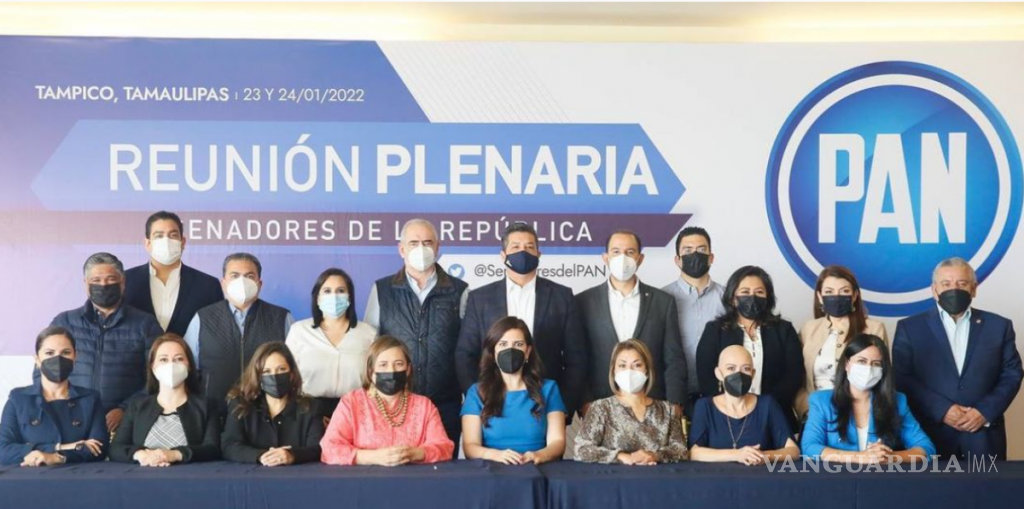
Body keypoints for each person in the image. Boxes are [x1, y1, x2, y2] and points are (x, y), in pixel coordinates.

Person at [893, 258, 1023, 460]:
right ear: (934, 290)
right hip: (930, 435)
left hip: (984, 436)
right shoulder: (909, 328)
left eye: (962, 283)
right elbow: (902, 377)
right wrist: (942, 410)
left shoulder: (999, 326)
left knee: (988, 483)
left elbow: (1012, 374)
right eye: (946, 284)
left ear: (974, 289)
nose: (954, 289)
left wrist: (984, 412)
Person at [456, 222, 587, 420]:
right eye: (515, 247)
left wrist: (562, 406)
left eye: (529, 247)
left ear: (539, 254)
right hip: (492, 407)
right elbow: (465, 354)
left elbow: (576, 357)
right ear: (503, 255)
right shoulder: (480, 299)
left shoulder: (562, 297)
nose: (523, 252)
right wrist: (479, 401)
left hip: (546, 407)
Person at [364, 219, 468, 452]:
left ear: (437, 247)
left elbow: (468, 348)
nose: (421, 248)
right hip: (394, 402)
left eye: (427, 242)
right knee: (395, 465)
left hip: (445, 404)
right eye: (413, 243)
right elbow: (372, 346)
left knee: (443, 467)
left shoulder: (460, 290)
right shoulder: (382, 290)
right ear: (402, 249)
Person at [50, 252, 163, 433]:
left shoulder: (145, 324)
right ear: (86, 284)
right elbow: (44, 372)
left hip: (126, 426)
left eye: (111, 279)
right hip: (71, 422)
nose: (103, 285)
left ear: (122, 282)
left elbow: (158, 377)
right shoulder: (64, 322)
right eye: (96, 280)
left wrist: (126, 409)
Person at [577, 230, 686, 416]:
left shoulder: (663, 302)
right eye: (616, 252)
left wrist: (675, 403)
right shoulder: (583, 302)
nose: (623, 258)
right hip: (600, 405)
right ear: (605, 258)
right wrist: (585, 402)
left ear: (640, 258)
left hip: (653, 404)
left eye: (630, 252)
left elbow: (673, 357)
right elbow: (578, 358)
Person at [696, 265, 804, 430]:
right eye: (745, 292)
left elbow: (793, 375)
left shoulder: (784, 330)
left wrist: (765, 407)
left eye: (759, 292)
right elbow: (706, 376)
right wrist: (730, 407)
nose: (752, 297)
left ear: (768, 297)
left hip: (775, 414)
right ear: (733, 298)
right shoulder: (715, 330)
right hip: (725, 417)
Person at [184, 252, 294, 409]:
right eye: (234, 276)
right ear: (224, 283)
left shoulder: (282, 318)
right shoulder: (202, 318)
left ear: (259, 283)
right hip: (214, 411)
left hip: (267, 412)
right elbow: (188, 366)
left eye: (249, 276)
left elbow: (296, 368)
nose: (242, 281)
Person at [320, 336, 454, 466]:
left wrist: (416, 453)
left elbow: (445, 447)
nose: (391, 370)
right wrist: (372, 457)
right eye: (383, 365)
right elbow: (329, 449)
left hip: (413, 479)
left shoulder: (424, 406)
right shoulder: (351, 403)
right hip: (364, 479)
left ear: (408, 370)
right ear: (370, 371)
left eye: (399, 364)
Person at [802, 334, 936, 463]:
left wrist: (891, 457)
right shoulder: (821, 401)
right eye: (861, 361)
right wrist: (858, 457)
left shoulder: (897, 401)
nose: (868, 369)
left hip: (880, 477)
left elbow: (926, 448)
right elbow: (809, 448)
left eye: (876, 364)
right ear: (847, 364)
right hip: (836, 476)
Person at [461, 317, 567, 464]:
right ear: (493, 352)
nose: (510, 350)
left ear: (528, 351)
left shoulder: (549, 389)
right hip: (491, 469)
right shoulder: (477, 393)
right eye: (503, 344)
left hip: (537, 467)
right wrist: (495, 455)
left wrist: (538, 455)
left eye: (518, 344)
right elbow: (470, 446)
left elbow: (558, 442)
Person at [1, 326, 107, 466]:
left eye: (66, 352)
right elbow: (3, 450)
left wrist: (57, 458)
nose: (57, 359)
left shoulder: (90, 399)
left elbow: (99, 448)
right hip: (29, 475)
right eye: (49, 353)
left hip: (78, 475)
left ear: (75, 357)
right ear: (37, 359)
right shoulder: (18, 398)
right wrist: (59, 448)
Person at [109, 333, 221, 466]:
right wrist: (142, 455)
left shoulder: (206, 406)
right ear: (152, 366)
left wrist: (174, 454)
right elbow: (116, 448)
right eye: (163, 359)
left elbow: (212, 449)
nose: (171, 365)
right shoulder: (137, 406)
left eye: (179, 359)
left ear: (189, 365)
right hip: (142, 475)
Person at [574, 339, 687, 464]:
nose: (629, 371)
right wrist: (620, 456)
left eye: (637, 365)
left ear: (647, 370)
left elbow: (680, 450)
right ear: (614, 371)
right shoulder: (601, 408)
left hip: (658, 475)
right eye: (622, 366)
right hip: (614, 475)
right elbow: (582, 449)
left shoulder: (667, 410)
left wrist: (654, 455)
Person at [797, 265, 888, 417]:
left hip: (859, 414)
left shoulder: (874, 328)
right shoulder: (808, 328)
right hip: (815, 414)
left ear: (854, 296)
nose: (836, 297)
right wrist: (807, 411)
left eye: (844, 291)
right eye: (829, 292)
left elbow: (883, 378)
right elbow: (797, 379)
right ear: (819, 296)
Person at [287, 268, 376, 419]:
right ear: (317, 298)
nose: (334, 296)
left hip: (356, 411)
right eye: (327, 291)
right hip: (307, 411)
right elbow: (287, 378)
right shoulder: (299, 331)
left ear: (349, 297)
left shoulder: (368, 334)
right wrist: (310, 415)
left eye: (340, 291)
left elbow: (374, 380)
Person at [689, 346, 799, 465]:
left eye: (746, 369)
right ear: (718, 373)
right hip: (716, 476)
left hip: (760, 475)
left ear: (753, 374)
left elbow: (793, 451)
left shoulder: (767, 404)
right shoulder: (705, 406)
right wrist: (737, 454)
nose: (738, 374)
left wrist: (765, 456)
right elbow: (694, 452)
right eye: (731, 368)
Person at [222, 342, 325, 465]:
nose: (274, 376)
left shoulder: (310, 407)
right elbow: (229, 446)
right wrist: (261, 456)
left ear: (292, 374)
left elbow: (317, 448)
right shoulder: (241, 405)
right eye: (266, 371)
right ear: (258, 376)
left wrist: (291, 455)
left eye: (281, 369)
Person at [124, 211, 223, 337]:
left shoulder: (208, 286)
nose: (166, 241)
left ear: (183, 242)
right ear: (148, 244)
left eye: (173, 235)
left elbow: (217, 335)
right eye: (159, 236)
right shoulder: (125, 281)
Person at [662, 226, 726, 417]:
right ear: (677, 260)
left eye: (701, 249)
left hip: (720, 396)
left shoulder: (729, 298)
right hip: (673, 397)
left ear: (711, 257)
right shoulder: (662, 298)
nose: (695, 255)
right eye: (688, 250)